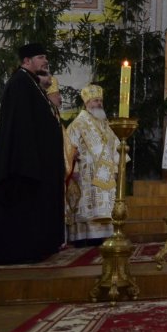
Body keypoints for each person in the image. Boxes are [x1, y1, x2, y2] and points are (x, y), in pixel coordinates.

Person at [0, 43, 65, 264]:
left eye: (45, 57)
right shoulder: (20, 82)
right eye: (40, 57)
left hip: (37, 159)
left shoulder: (31, 83)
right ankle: (19, 250)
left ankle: (37, 246)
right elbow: (21, 125)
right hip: (25, 161)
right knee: (22, 208)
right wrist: (30, 158)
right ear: (27, 60)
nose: (45, 61)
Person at [65, 84, 120, 246]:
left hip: (106, 172)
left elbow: (116, 145)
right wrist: (74, 170)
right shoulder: (78, 123)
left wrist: (116, 165)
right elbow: (69, 149)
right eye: (96, 100)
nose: (99, 104)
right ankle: (83, 237)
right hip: (85, 173)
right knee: (87, 206)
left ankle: (102, 235)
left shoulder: (104, 123)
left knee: (103, 206)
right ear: (87, 102)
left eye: (100, 100)